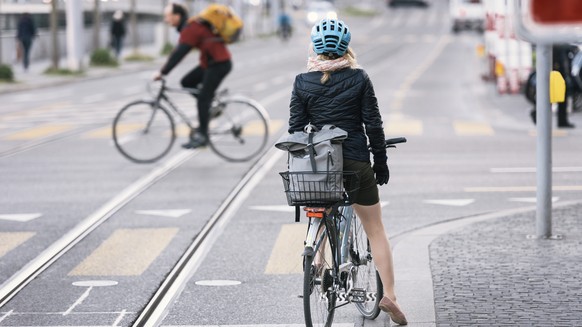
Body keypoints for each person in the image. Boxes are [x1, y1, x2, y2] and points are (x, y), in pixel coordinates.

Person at [288, 19, 408, 325]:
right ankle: (390, 296)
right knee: (375, 229)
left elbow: (295, 131)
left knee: (321, 204)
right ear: (346, 46)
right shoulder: (359, 78)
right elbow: (374, 125)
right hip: (355, 161)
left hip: (320, 165)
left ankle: (317, 262)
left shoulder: (302, 81)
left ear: (315, 47)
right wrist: (380, 162)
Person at [153, 3, 232, 149]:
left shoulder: (191, 28)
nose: (166, 20)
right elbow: (179, 50)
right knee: (187, 82)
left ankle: (203, 136)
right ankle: (212, 105)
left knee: (202, 99)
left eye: (168, 16)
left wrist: (162, 73)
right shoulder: (190, 27)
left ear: (177, 16)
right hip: (210, 63)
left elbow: (180, 53)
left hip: (219, 64)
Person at [529, 44, 578, 128]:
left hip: (557, 69)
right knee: (549, 96)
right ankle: (538, 114)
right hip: (555, 69)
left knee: (557, 96)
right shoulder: (553, 39)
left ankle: (561, 120)